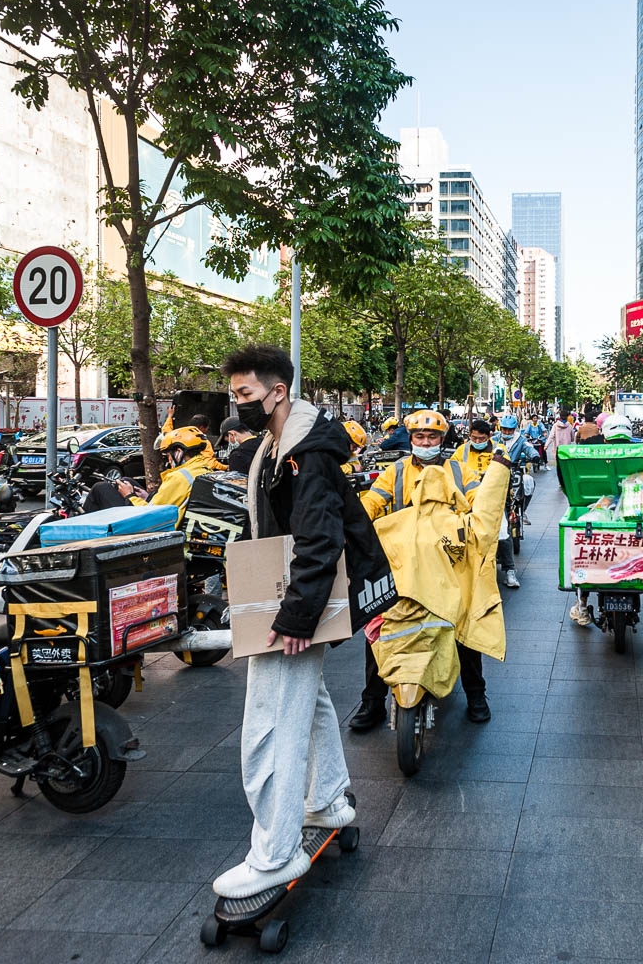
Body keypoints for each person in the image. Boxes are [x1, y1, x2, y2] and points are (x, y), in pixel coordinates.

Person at [212, 344, 392, 899]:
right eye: (235, 394)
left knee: (271, 725)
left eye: (245, 394)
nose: (238, 404)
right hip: (293, 599)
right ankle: (328, 799)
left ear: (277, 391)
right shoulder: (276, 446)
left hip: (296, 605)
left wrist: (294, 618)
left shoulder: (304, 454)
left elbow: (319, 542)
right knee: (307, 701)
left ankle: (275, 852)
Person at [351, 410, 491, 728]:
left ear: (442, 440)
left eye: (432, 437)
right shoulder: (396, 471)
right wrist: (353, 522)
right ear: (411, 439)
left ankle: (477, 695)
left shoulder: (459, 470)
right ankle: (372, 703)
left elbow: (477, 500)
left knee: (465, 623)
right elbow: (374, 500)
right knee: (378, 625)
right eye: (419, 437)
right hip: (404, 561)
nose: (425, 442)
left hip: (448, 562)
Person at [569, 415, 643, 634]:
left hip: (600, 511)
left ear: (604, 436)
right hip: (641, 517)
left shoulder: (588, 450)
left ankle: (581, 608)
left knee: (584, 553)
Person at [451, 419, 520, 590]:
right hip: (466, 501)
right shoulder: (462, 450)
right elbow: (451, 469)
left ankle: (509, 570)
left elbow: (504, 471)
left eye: (481, 439)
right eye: (474, 438)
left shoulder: (499, 449)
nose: (477, 442)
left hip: (493, 501)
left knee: (503, 532)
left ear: (489, 436)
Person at [116, 426, 225, 524]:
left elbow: (151, 514)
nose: (169, 459)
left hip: (164, 530)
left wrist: (129, 496)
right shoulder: (205, 469)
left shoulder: (179, 477)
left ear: (178, 452)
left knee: (101, 488)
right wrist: (148, 497)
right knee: (126, 480)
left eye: (168, 455)